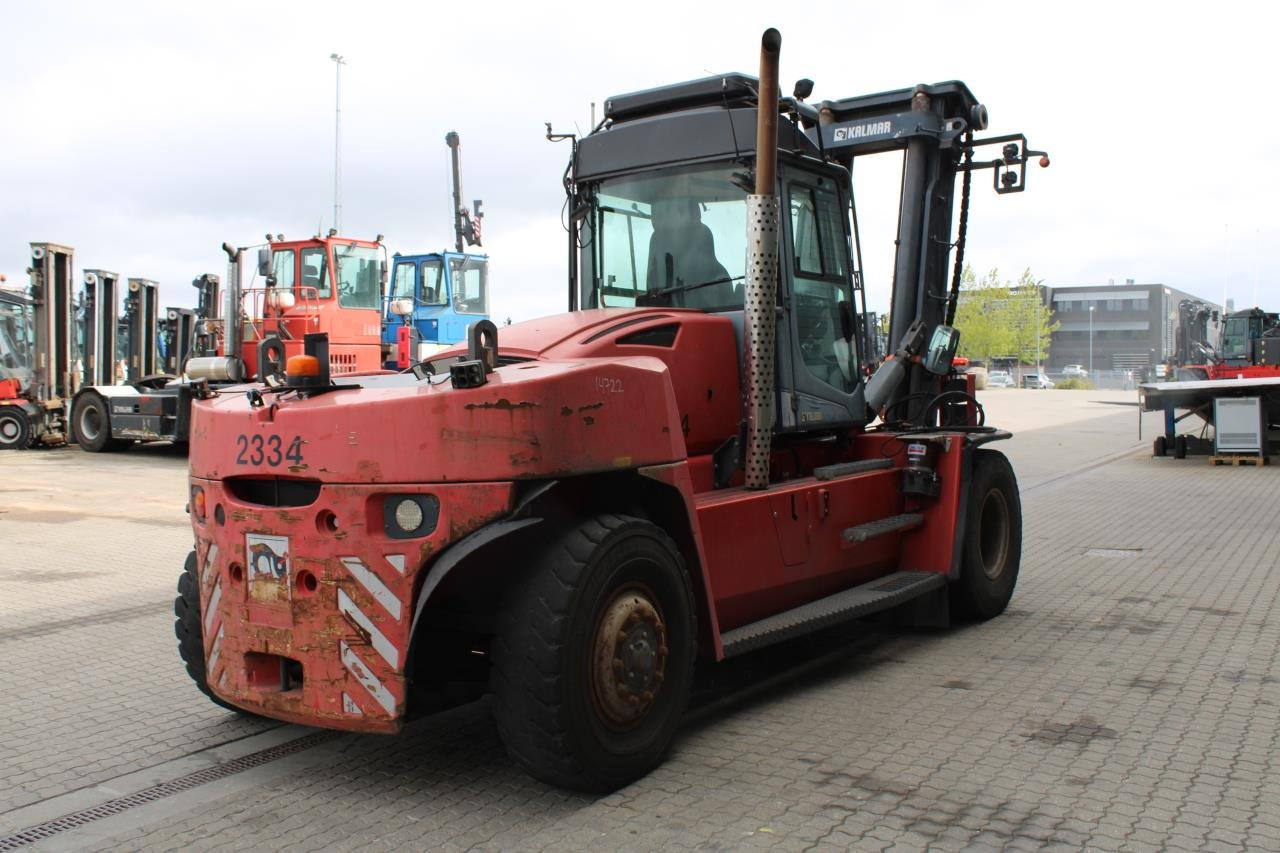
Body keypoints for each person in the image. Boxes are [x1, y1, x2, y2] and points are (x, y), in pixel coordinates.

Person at [645, 198, 735, 309]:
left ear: (695, 215)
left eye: (680, 210)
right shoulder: (658, 267)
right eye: (656, 214)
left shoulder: (717, 278)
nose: (663, 221)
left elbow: (711, 316)